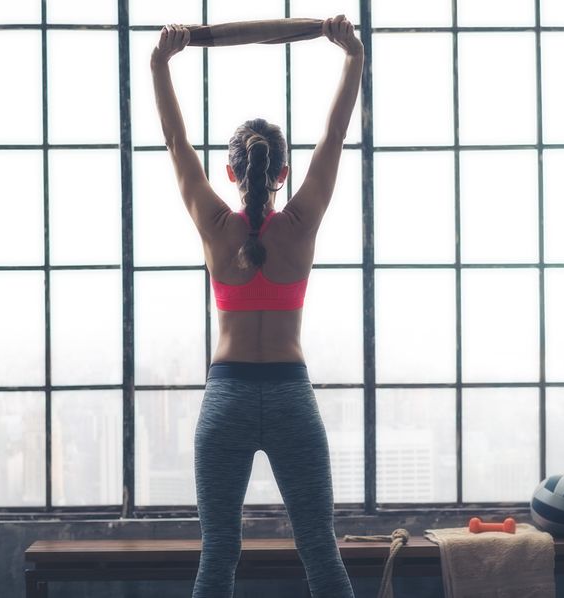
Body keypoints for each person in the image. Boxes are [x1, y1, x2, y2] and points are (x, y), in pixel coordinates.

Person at [150, 14, 363, 598]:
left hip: (227, 400)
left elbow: (175, 141)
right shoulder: (299, 224)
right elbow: (336, 137)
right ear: (282, 172)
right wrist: (353, 58)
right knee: (321, 551)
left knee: (218, 557)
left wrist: (159, 65)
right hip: (292, 396)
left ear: (230, 171)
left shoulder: (217, 227)